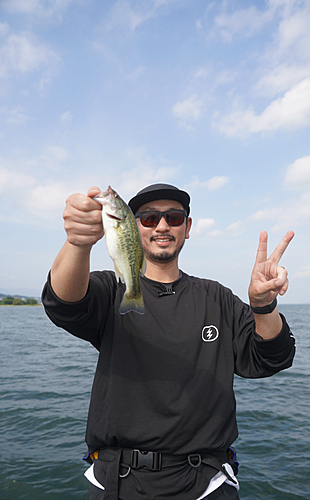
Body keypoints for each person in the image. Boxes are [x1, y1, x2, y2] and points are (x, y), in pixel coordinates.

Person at [42, 183, 296, 500]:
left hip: (207, 485)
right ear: (133, 227)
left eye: (173, 217)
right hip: (117, 482)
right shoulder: (112, 289)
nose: (162, 225)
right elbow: (63, 304)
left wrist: (264, 306)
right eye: (148, 218)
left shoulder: (217, 298)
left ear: (187, 227)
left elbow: (272, 357)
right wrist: (77, 244)